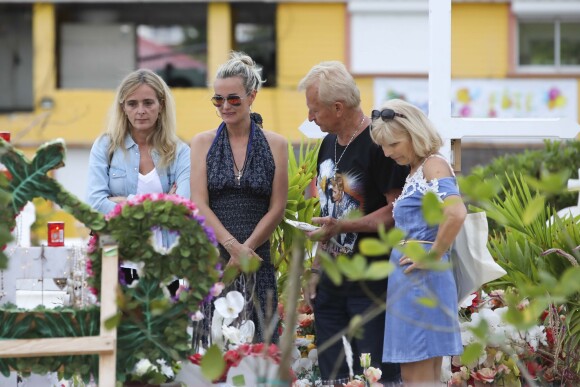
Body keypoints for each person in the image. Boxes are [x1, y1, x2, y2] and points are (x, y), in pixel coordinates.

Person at [298, 61, 408, 386]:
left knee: (374, 375)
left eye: (314, 110)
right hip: (331, 284)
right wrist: (316, 270)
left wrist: (343, 227)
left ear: (337, 107)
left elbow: (397, 211)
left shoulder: (379, 143)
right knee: (332, 375)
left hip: (370, 284)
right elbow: (328, 211)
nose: (309, 117)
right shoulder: (327, 142)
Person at [190, 51, 288, 343]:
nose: (225, 106)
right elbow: (199, 202)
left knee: (260, 351)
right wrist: (233, 249)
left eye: (233, 99)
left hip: (257, 256)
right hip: (215, 259)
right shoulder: (202, 142)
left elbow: (277, 206)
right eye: (218, 100)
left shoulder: (276, 143)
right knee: (213, 345)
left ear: (252, 96)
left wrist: (246, 250)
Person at [370, 99, 466, 385]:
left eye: (394, 144)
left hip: (421, 281)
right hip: (411, 282)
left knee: (418, 377)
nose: (387, 153)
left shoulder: (433, 165)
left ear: (415, 134)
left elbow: (457, 211)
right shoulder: (418, 170)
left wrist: (433, 253)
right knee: (416, 375)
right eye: (383, 147)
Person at [86, 69, 191, 290]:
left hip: (168, 263)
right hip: (119, 258)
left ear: (161, 104)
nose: (140, 111)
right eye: (132, 104)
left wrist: (122, 202)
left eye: (148, 103)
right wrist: (161, 202)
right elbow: (95, 204)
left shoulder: (180, 152)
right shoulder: (105, 147)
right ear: (123, 107)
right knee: (120, 323)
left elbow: (182, 209)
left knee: (166, 322)